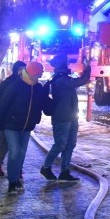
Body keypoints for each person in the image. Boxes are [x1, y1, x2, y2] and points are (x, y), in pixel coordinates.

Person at [0, 61, 49, 195]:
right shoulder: (15, 85)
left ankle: (16, 179)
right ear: (32, 73)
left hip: (27, 126)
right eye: (39, 73)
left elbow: (46, 106)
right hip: (10, 125)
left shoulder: (38, 87)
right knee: (15, 152)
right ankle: (12, 182)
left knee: (21, 154)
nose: (40, 76)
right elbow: (2, 106)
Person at [40, 53, 91, 183]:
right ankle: (46, 167)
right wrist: (88, 68)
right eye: (66, 63)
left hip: (71, 116)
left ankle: (64, 172)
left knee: (70, 145)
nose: (68, 65)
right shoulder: (61, 79)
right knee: (60, 145)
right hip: (62, 117)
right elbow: (81, 81)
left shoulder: (62, 78)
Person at [0, 60, 26, 177]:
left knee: (18, 148)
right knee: (6, 145)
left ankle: (16, 169)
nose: (22, 72)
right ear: (16, 70)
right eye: (20, 69)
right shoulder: (7, 83)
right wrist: (1, 118)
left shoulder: (25, 83)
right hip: (6, 121)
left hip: (20, 121)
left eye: (23, 69)